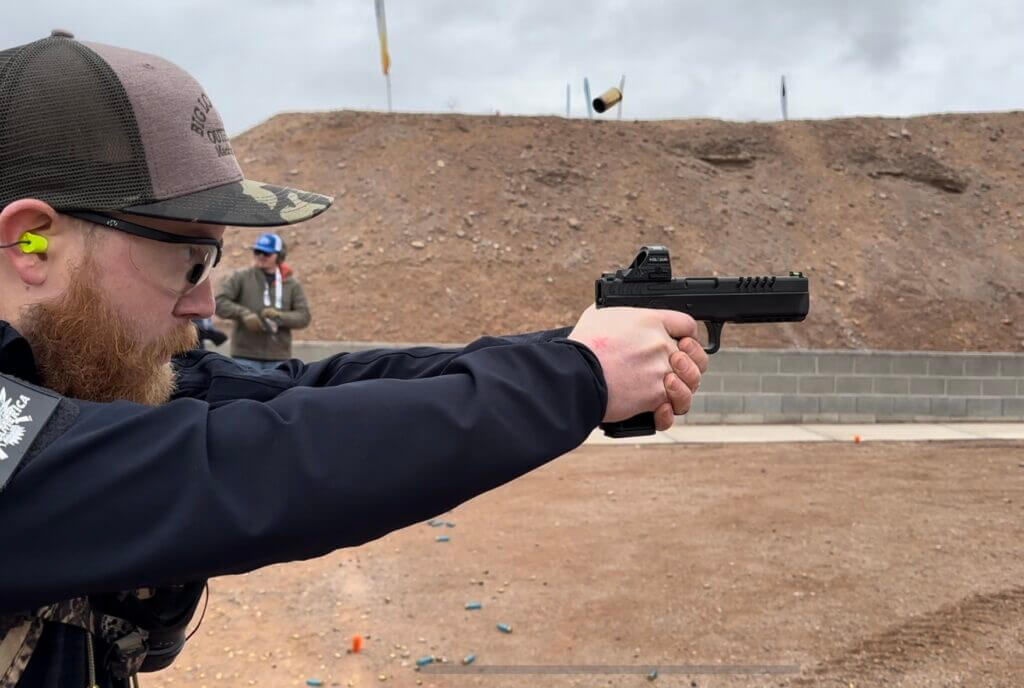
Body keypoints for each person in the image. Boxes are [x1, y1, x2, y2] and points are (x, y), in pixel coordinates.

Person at [0, 31, 708, 688]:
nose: (204, 305)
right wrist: (577, 380)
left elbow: (315, 388)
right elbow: (263, 463)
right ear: (34, 242)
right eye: (187, 262)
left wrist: (579, 348)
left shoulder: (75, 372)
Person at [215, 232, 310, 369]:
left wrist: (280, 317)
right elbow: (219, 302)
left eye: (266, 253)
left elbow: (304, 317)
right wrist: (243, 313)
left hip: (279, 357)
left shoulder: (292, 284)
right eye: (257, 251)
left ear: (279, 256)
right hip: (244, 356)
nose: (260, 256)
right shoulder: (240, 277)